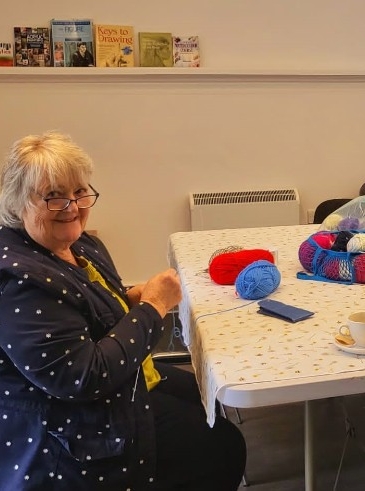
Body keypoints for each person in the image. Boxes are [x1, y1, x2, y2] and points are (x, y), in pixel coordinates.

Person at [0, 132, 247, 490]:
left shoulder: (81, 243)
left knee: (207, 393)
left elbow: (87, 309)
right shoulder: (20, 284)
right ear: (18, 202)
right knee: (221, 447)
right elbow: (86, 377)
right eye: (53, 196)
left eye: (79, 191)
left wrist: (128, 299)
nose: (71, 206)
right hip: (66, 428)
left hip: (117, 384)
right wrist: (153, 306)